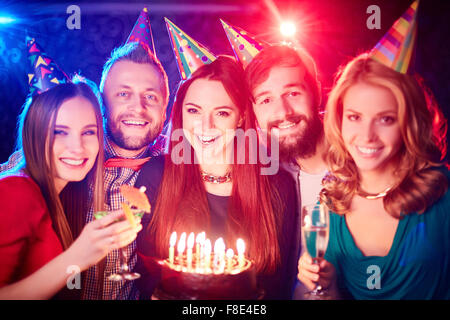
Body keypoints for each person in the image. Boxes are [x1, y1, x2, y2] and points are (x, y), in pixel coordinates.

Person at [135, 56, 298, 300]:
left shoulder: (276, 185)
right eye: (193, 111)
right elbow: (147, 276)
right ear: (181, 114)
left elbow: (276, 286)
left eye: (221, 113)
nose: (205, 125)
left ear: (241, 117)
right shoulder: (156, 174)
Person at [297, 53, 450, 299]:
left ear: (407, 123)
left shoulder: (441, 193)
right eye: (355, 117)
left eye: (385, 119)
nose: (367, 135)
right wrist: (323, 286)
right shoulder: (328, 203)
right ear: (339, 119)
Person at [0, 79, 142, 299]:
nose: (77, 148)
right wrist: (77, 256)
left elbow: (62, 285)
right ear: (34, 132)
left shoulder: (64, 197)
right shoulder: (15, 190)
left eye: (88, 132)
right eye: (59, 131)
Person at [245, 44, 328, 298]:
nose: (282, 112)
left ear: (317, 95)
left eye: (292, 93)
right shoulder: (269, 172)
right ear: (255, 113)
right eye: (266, 99)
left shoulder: (361, 166)